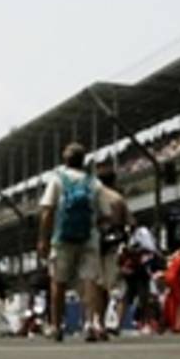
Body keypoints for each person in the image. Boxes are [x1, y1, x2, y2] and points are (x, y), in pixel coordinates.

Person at [38, 143, 111, 341]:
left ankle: (56, 326)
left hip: (62, 238)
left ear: (65, 160)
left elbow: (47, 211)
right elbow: (106, 215)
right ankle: (89, 323)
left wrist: (43, 239)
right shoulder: (93, 182)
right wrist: (94, 226)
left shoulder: (57, 180)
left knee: (58, 281)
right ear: (83, 160)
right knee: (89, 280)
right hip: (89, 237)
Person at [95, 162, 134, 339]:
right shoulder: (117, 198)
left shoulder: (93, 198)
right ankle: (116, 323)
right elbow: (131, 223)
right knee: (118, 286)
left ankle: (99, 323)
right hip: (113, 246)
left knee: (99, 286)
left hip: (95, 246)